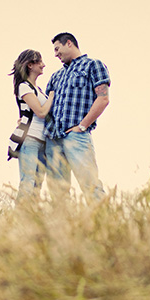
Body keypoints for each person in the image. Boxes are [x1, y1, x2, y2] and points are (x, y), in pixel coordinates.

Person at [44, 33, 110, 201]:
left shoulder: (93, 66)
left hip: (77, 136)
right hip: (53, 139)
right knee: (57, 194)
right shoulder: (55, 76)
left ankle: (104, 224)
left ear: (69, 43)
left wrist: (82, 126)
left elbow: (103, 98)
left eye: (57, 49)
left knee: (90, 185)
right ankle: (65, 227)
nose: (55, 54)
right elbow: (45, 108)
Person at [8, 49, 54, 201]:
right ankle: (19, 219)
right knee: (27, 182)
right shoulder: (24, 87)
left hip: (43, 141)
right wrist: (53, 96)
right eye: (39, 62)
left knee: (37, 185)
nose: (43, 65)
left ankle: (31, 221)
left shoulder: (38, 90)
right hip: (30, 139)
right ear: (30, 65)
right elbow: (41, 112)